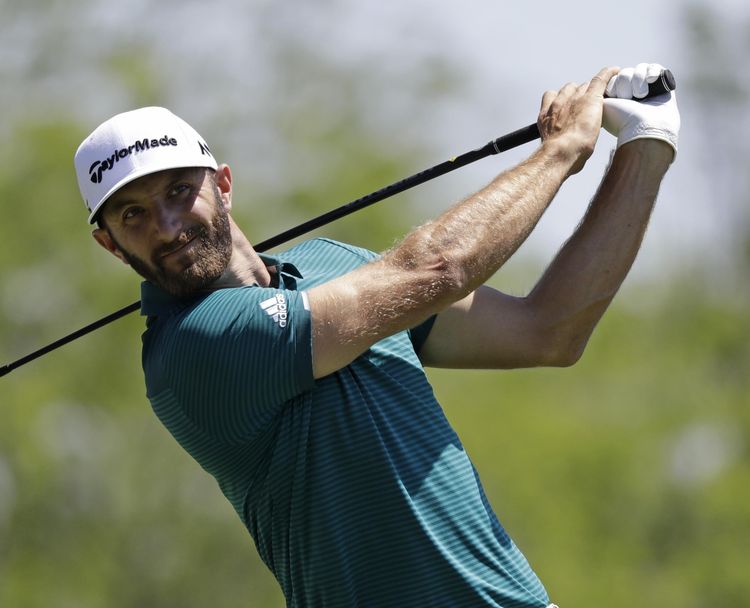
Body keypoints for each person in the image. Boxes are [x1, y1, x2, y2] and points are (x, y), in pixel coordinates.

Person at [73, 63, 680, 608]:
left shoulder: (331, 264)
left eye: (180, 191)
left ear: (222, 184)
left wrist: (644, 147)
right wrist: (562, 151)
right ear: (110, 243)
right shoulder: (192, 350)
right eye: (134, 214)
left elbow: (547, 331)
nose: (169, 225)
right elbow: (434, 269)